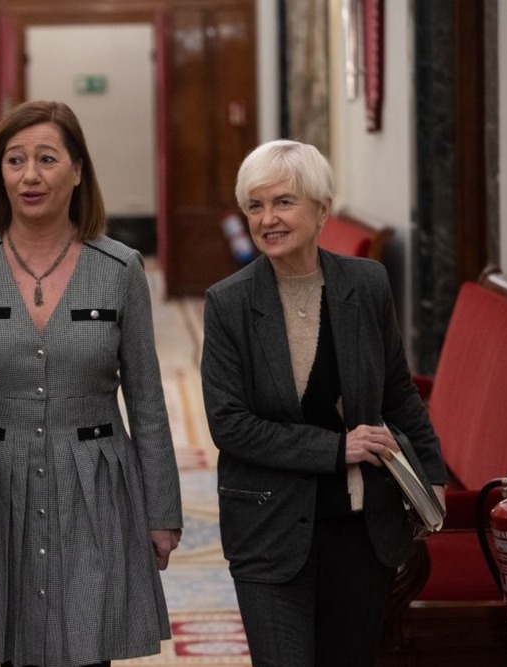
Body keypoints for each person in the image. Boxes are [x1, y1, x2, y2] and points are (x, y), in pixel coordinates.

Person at [0, 100, 183, 667]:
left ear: (78, 169)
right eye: (15, 161)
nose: (30, 175)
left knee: (90, 647)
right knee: (11, 651)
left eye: (46, 158)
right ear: (0, 173)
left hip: (95, 484)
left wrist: (162, 511)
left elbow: (147, 401)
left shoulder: (121, 269)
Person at [200, 139, 448, 666]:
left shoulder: (367, 283)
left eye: (284, 202)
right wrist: (339, 449)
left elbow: (398, 392)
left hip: (362, 528)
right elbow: (230, 424)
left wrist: (434, 475)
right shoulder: (229, 302)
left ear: (322, 210)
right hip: (268, 529)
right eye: (255, 206)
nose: (268, 219)